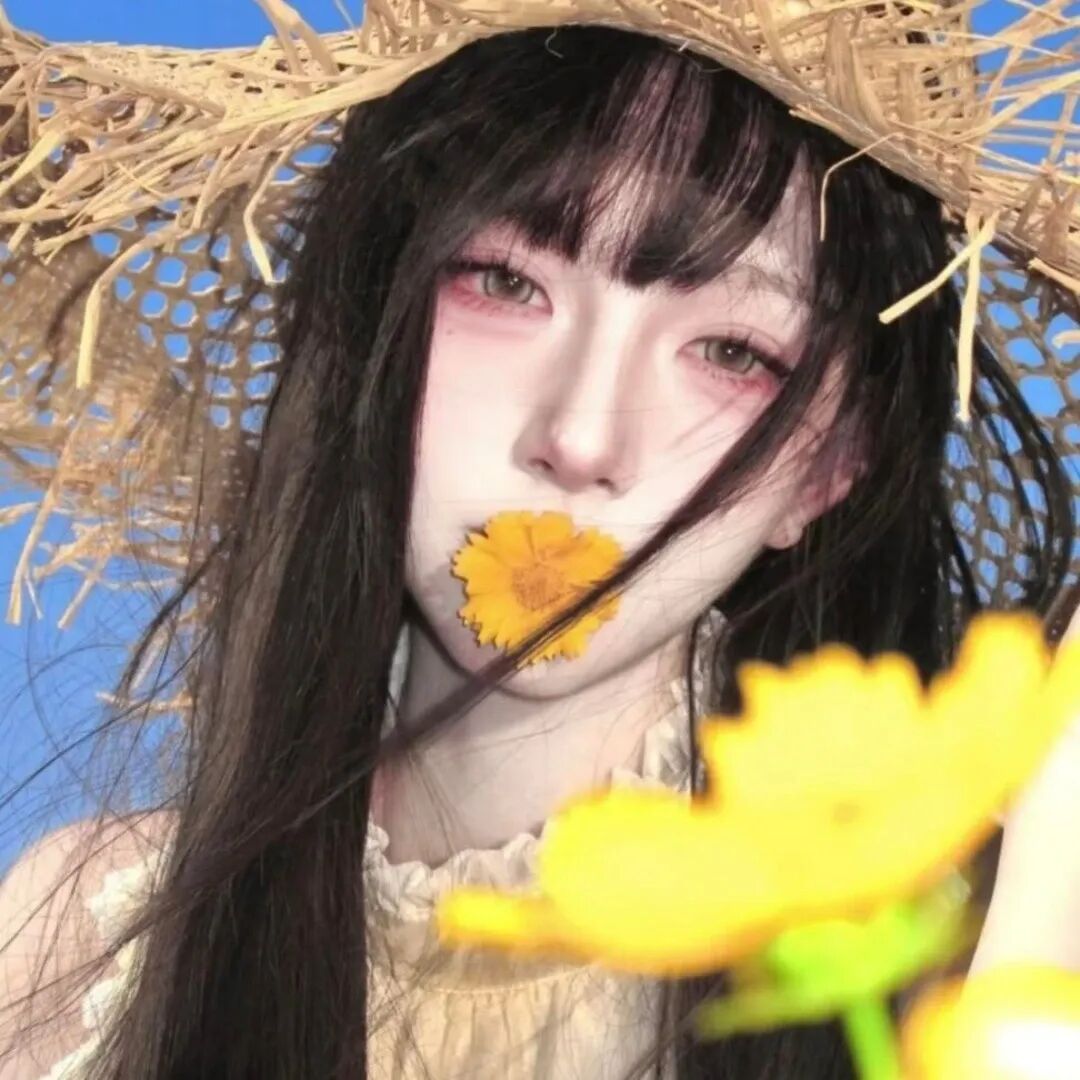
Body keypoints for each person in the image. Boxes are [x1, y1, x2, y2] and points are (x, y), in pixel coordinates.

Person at [0, 7, 1077, 1080]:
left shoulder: (965, 959)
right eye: (508, 283)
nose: (580, 441)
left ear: (831, 466)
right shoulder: (87, 943)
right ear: (374, 322)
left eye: (731, 351)